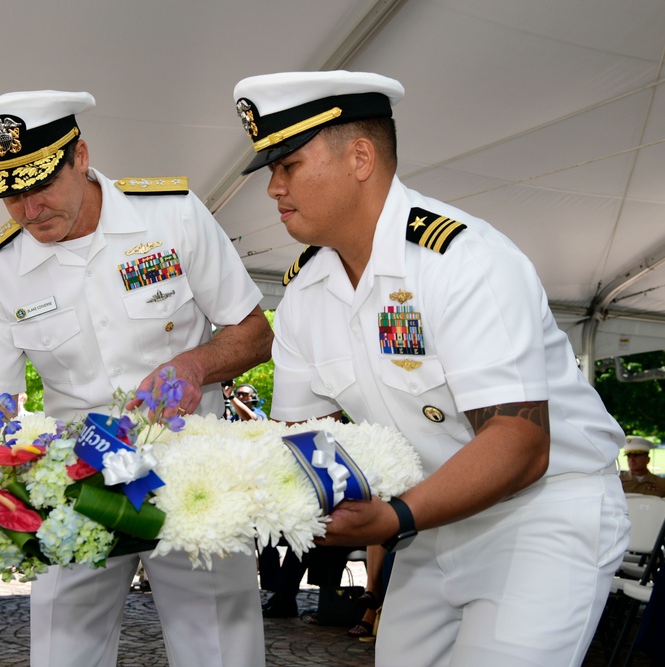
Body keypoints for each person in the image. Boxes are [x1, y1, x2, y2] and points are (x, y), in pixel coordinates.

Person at [231, 70, 630, 666]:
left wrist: (392, 518)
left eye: (287, 165)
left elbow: (520, 442)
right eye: (270, 170)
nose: (274, 188)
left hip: (541, 512)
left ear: (360, 157)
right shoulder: (304, 295)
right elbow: (303, 441)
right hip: (428, 518)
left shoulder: (463, 260)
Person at [0, 90, 272, 667]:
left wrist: (194, 365)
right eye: (6, 193)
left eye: (40, 182)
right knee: (63, 650)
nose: (26, 210)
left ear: (80, 157)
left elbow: (253, 332)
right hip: (76, 478)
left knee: (218, 646)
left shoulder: (173, 214)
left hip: (194, 468)